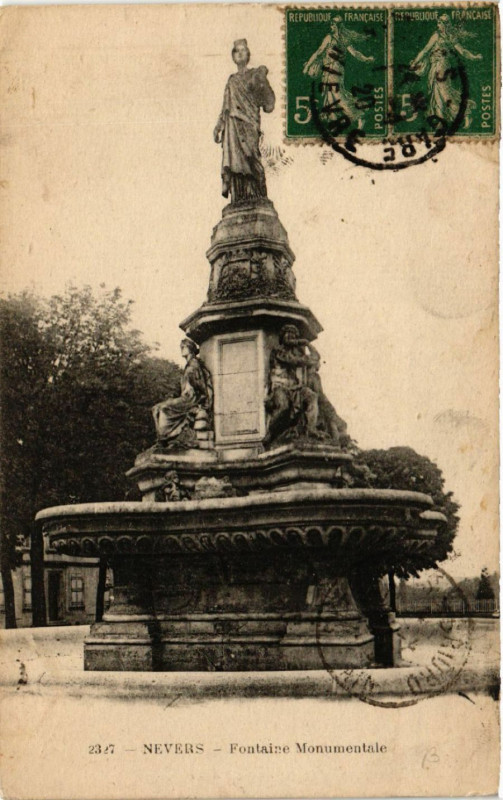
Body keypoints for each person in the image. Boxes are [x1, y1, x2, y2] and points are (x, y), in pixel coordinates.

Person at [214, 39, 275, 203]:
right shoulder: (231, 81)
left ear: (248, 54)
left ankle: (258, 194)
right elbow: (225, 107)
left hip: (249, 124)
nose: (240, 53)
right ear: (233, 56)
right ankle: (239, 198)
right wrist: (219, 126)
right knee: (236, 163)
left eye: (243, 50)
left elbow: (269, 104)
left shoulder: (255, 75)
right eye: (236, 51)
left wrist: (262, 81)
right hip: (233, 124)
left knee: (251, 158)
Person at [303, 16, 374, 130]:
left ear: (337, 26)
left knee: (336, 95)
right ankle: (335, 122)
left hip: (332, 70)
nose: (331, 26)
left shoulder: (329, 38)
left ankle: (358, 115)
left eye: (333, 24)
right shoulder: (344, 39)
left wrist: (307, 66)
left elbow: (318, 53)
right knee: (331, 95)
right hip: (336, 70)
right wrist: (366, 59)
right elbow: (355, 53)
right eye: (331, 24)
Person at [410, 14, 482, 125]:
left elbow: (462, 51)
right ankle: (441, 120)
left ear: (445, 24)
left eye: (440, 23)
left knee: (444, 94)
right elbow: (426, 51)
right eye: (438, 22)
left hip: (442, 67)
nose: (438, 25)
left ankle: (465, 114)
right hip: (436, 67)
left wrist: (473, 56)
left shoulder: (442, 36)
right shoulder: (441, 36)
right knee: (437, 93)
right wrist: (416, 61)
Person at [263, 324, 320, 446]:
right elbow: (294, 361)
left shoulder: (296, 354)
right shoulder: (278, 352)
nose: (291, 337)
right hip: (280, 388)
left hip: (295, 389)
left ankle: (311, 429)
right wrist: (303, 343)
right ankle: (271, 433)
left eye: (294, 334)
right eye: (288, 334)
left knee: (311, 396)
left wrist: (307, 344)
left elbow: (315, 358)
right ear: (282, 337)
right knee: (283, 407)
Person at [152, 339, 213, 445]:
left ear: (190, 349)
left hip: (191, 399)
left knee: (162, 408)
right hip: (186, 398)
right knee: (156, 408)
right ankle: (163, 437)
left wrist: (203, 402)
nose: (181, 349)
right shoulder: (189, 365)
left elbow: (201, 386)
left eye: (183, 347)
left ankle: (166, 436)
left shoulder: (194, 364)